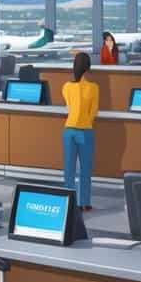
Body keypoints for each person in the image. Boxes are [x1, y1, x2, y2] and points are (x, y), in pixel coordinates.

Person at [61, 52, 99, 211]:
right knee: (85, 169)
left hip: (69, 130)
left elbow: (69, 106)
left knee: (69, 169)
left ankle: (69, 203)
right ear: (88, 67)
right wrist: (85, 122)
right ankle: (85, 203)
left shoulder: (66, 87)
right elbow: (93, 112)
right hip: (85, 131)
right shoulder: (93, 88)